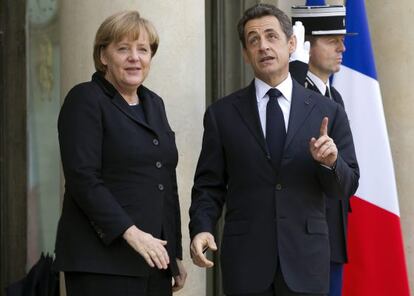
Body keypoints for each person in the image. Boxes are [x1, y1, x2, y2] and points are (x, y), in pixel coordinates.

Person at [189, 3, 359, 296]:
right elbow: (208, 185)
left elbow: (347, 186)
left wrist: (331, 163)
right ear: (245, 53)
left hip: (306, 262)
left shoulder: (327, 110)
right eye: (253, 40)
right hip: (246, 264)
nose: (263, 46)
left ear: (291, 43)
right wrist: (201, 227)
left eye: (271, 37)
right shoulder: (223, 114)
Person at [53, 10, 186, 296]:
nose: (134, 57)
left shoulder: (154, 103)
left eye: (143, 49)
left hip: (154, 259)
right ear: (103, 56)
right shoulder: (86, 98)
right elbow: (83, 179)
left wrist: (173, 253)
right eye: (123, 49)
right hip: (102, 262)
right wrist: (131, 233)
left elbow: (165, 179)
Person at [290, 5, 356, 296]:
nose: (342, 47)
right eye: (332, 40)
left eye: (342, 39)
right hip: (300, 238)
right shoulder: (294, 90)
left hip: (332, 234)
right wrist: (295, 70)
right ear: (306, 46)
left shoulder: (335, 96)